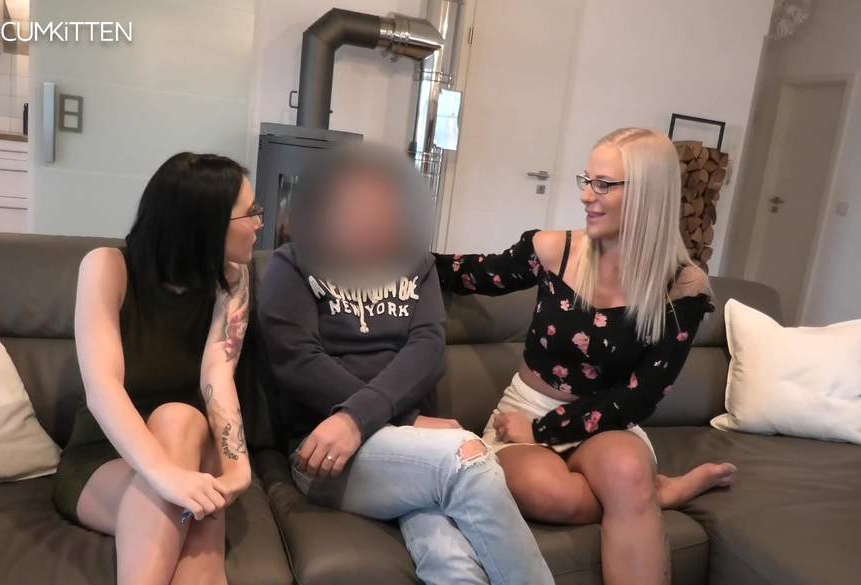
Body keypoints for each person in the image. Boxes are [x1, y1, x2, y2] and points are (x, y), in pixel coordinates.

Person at [435, 128, 737, 585]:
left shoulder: (682, 286)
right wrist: (389, 252)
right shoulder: (555, 250)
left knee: (626, 472)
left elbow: (639, 397)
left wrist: (543, 432)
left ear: (648, 195)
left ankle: (636, 489)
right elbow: (471, 274)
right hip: (526, 410)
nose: (585, 196)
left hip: (607, 421)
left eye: (604, 184)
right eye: (587, 180)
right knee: (551, 493)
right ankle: (655, 493)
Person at [259, 144, 554, 585]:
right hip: (325, 448)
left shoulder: (416, 262)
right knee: (467, 458)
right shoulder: (293, 263)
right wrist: (399, 418)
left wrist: (376, 417)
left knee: (452, 562)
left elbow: (428, 348)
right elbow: (298, 362)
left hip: (411, 450)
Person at [53, 152, 264, 585]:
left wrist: (237, 467)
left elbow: (216, 377)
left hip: (192, 452)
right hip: (106, 458)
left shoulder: (234, 279)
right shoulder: (106, 267)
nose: (261, 222)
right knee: (190, 512)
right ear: (204, 226)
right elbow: (103, 388)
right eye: (251, 213)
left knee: (179, 419)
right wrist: (167, 477)